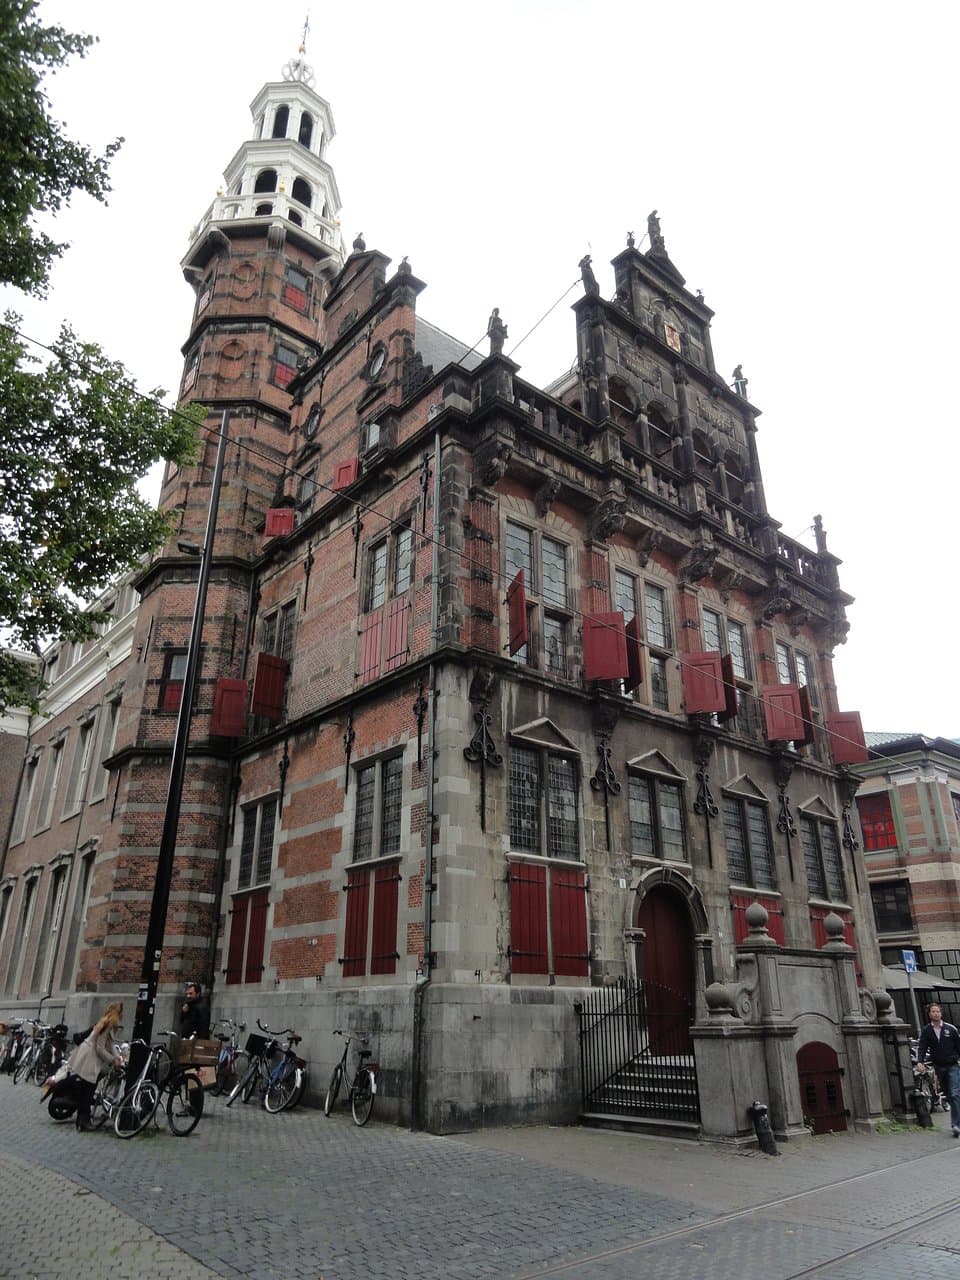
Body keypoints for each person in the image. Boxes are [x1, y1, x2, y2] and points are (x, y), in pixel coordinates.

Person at [69, 1002, 124, 1131]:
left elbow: (110, 1044)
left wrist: (117, 1057)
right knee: (88, 1090)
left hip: (89, 1055)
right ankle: (84, 1120)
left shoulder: (106, 1022)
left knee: (87, 1088)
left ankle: (81, 1120)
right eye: (121, 1012)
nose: (122, 1015)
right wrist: (112, 1060)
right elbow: (99, 1048)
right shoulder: (108, 1024)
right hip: (90, 1057)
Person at [915, 1003, 960, 1136]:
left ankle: (956, 1125)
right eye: (933, 1011)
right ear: (929, 1014)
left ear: (941, 1013)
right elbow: (922, 1047)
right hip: (939, 1067)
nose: (936, 1013)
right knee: (948, 1094)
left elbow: (958, 1046)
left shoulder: (950, 1029)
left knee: (954, 1093)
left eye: (938, 1011)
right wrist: (920, 1061)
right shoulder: (927, 1031)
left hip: (952, 1065)